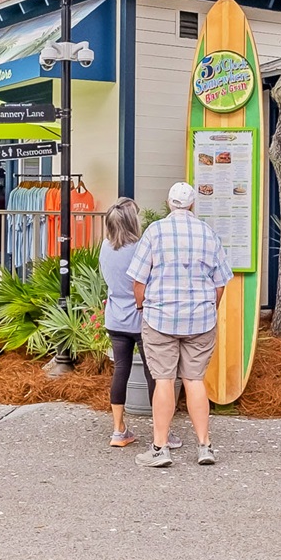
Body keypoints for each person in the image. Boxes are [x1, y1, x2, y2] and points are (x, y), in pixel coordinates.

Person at [130, 181, 232, 468]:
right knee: (194, 380)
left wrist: (142, 305)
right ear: (192, 204)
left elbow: (138, 279)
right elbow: (221, 282)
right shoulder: (208, 233)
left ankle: (160, 448)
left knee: (164, 380)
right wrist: (211, 309)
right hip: (200, 319)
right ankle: (204, 445)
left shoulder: (155, 231)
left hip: (160, 317)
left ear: (168, 202)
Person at [98, 198, 146, 448]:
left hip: (115, 317)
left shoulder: (105, 247)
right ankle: (164, 433)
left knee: (121, 370)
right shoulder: (140, 248)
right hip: (140, 317)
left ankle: (118, 430)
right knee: (154, 375)